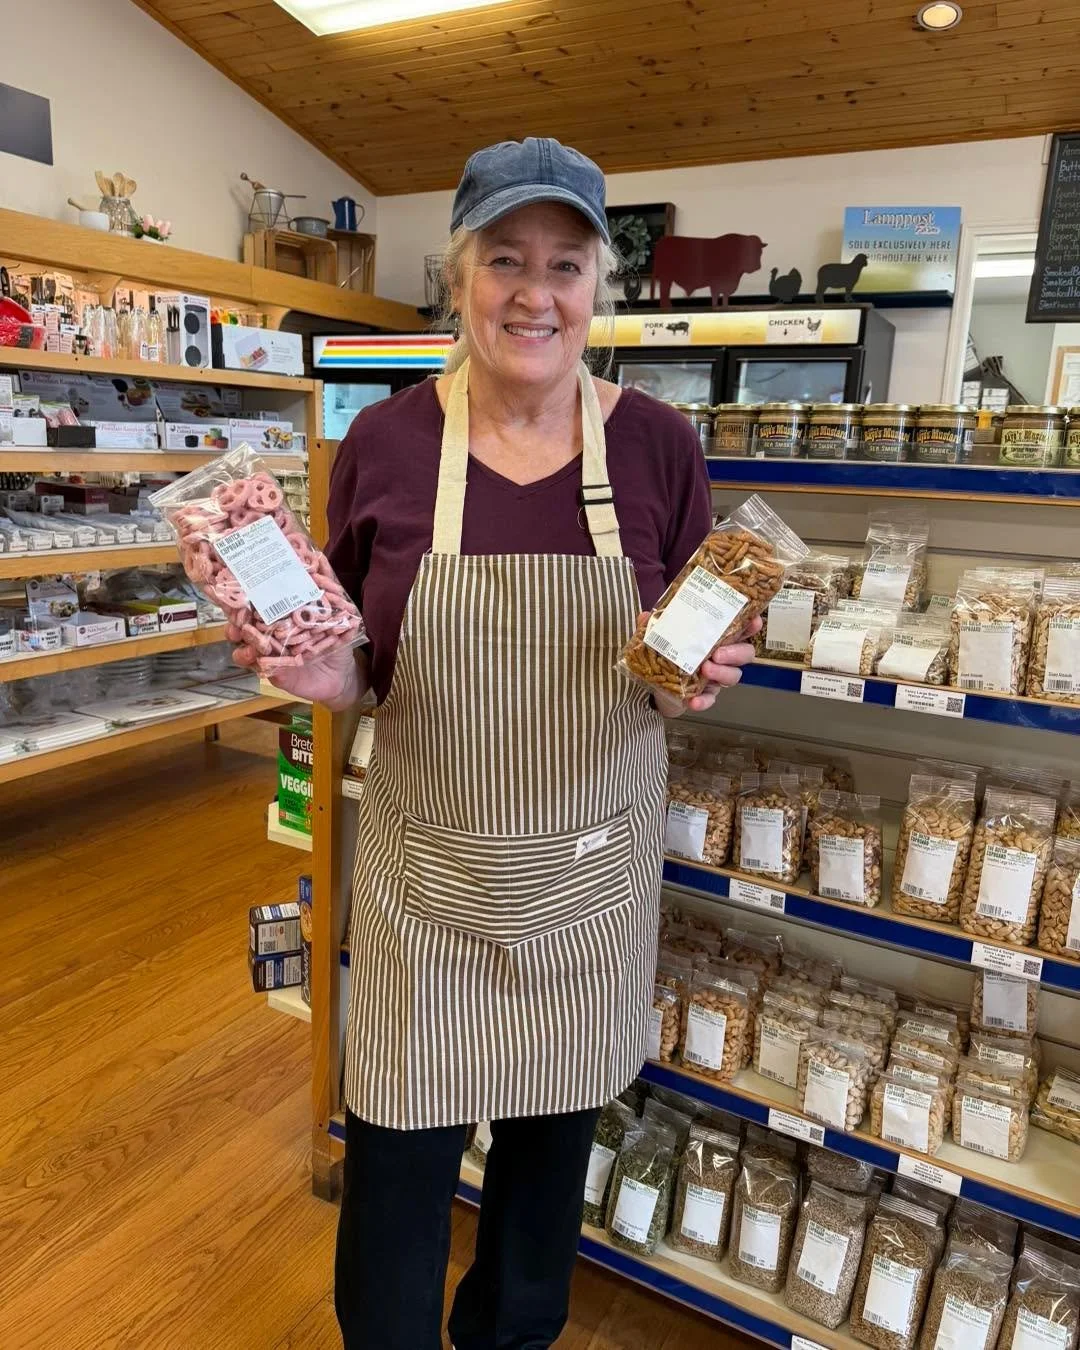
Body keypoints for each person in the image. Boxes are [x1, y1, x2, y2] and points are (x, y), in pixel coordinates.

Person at [247, 137, 759, 1349]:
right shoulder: (381, 443)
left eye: (566, 264)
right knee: (397, 1165)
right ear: (460, 272)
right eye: (507, 260)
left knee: (543, 1180)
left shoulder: (656, 447)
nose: (536, 293)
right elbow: (360, 667)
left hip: (589, 878)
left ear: (598, 286)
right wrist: (329, 679)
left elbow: (680, 658)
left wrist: (699, 684)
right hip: (431, 878)